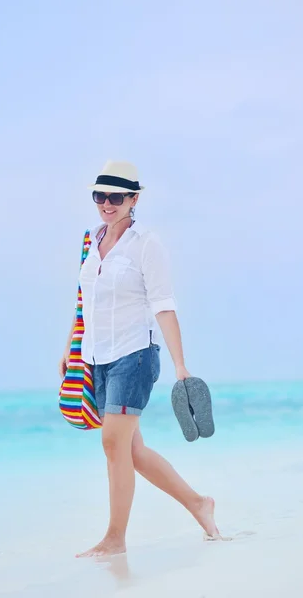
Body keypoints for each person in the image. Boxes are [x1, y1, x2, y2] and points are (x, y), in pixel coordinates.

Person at [58, 160, 220, 558]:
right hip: (96, 356)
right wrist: (71, 346)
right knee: (132, 451)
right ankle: (200, 504)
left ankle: (115, 539)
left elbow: (163, 304)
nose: (107, 204)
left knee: (113, 443)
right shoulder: (90, 239)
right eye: (100, 195)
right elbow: (85, 302)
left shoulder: (147, 243)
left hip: (135, 354)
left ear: (134, 199)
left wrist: (181, 365)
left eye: (116, 196)